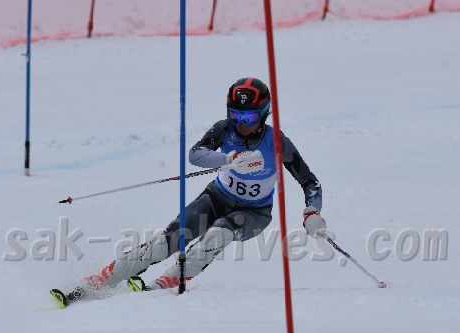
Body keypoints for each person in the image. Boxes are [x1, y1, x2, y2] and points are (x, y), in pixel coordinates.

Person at [50, 77, 327, 308]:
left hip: (254, 212)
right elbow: (195, 154)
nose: (241, 123)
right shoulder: (224, 130)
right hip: (216, 198)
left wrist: (312, 212)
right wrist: (227, 158)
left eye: (249, 116)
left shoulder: (277, 141)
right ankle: (97, 283)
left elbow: (310, 182)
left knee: (218, 234)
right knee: (166, 241)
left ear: (264, 113)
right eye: (235, 115)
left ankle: (162, 285)